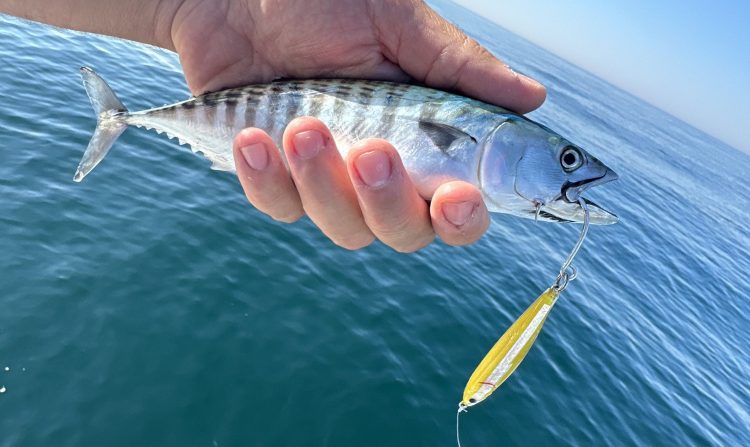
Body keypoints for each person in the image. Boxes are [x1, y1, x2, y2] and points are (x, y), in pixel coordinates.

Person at [1, 0, 546, 252]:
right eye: (567, 159)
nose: (572, 173)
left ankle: (122, 120)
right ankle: (119, 119)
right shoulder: (478, 123)